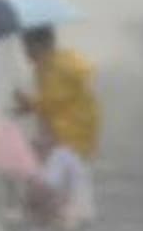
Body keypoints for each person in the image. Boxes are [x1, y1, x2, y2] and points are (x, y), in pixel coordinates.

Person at [14, 26, 100, 161]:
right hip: (63, 140)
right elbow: (52, 102)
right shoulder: (47, 67)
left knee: (44, 175)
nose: (26, 52)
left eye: (28, 46)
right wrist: (29, 105)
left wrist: (30, 104)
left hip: (70, 142)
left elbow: (53, 101)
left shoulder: (59, 67)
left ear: (43, 45)